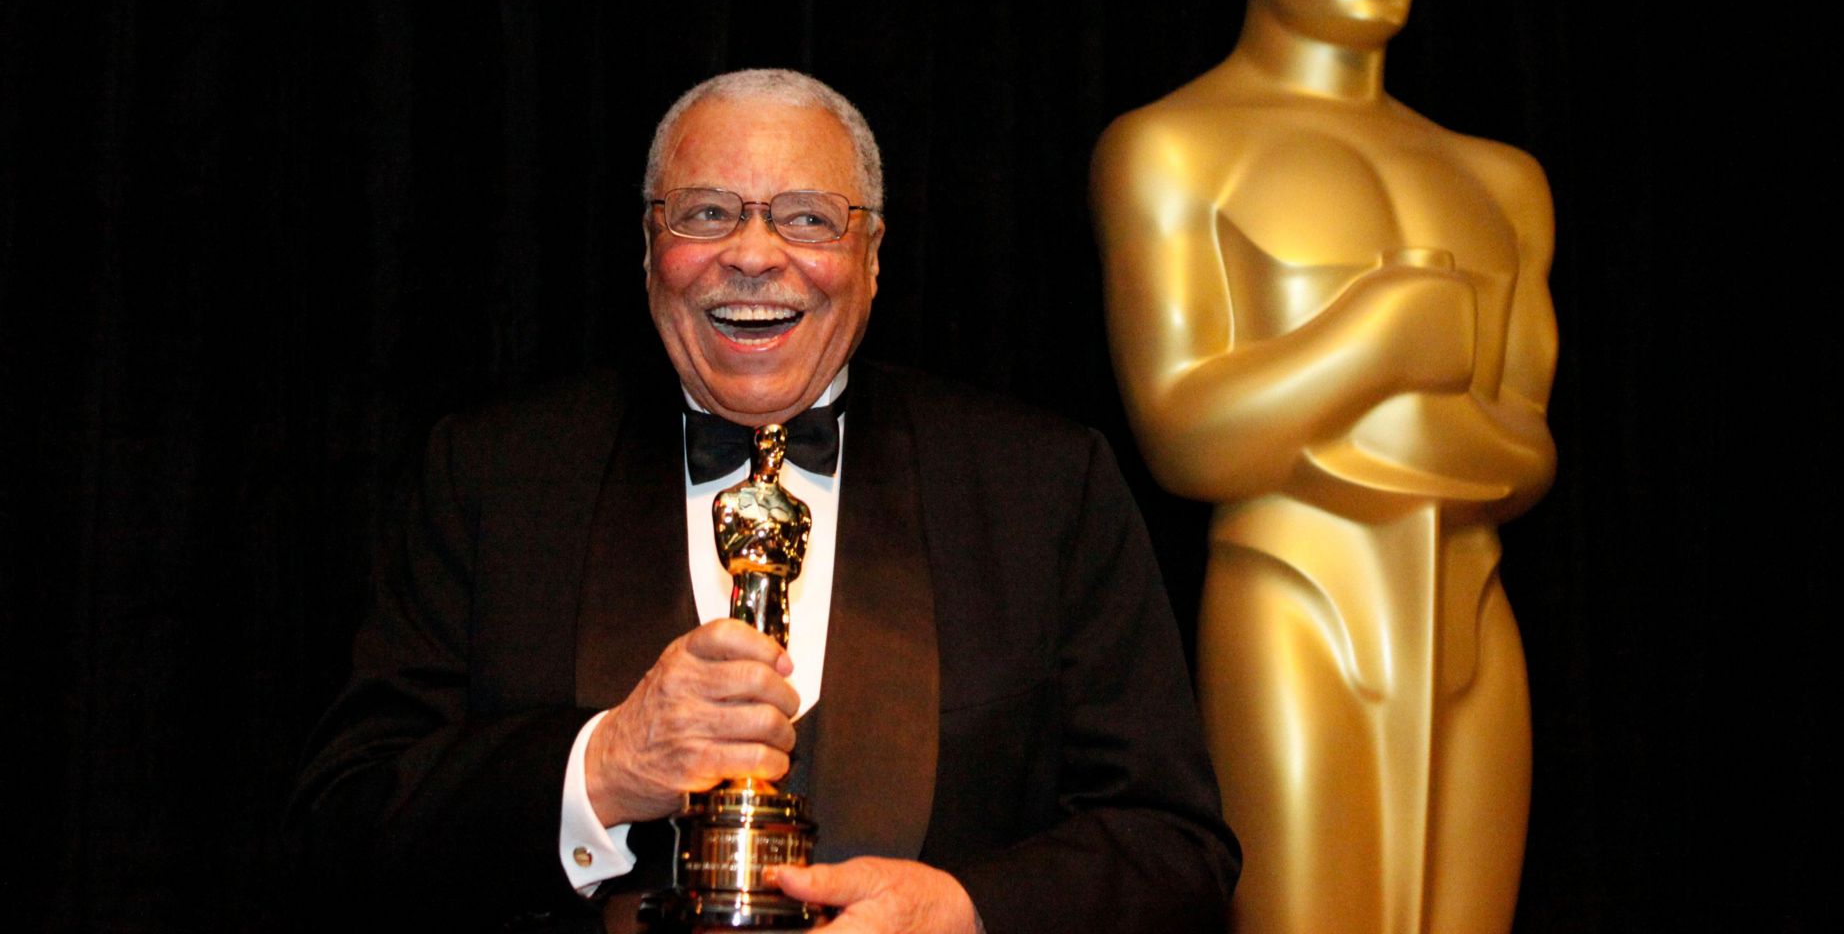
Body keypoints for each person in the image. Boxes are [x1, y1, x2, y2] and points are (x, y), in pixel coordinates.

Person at [290, 69, 1239, 933]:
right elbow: (344, 829)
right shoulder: (496, 475)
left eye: (807, 218)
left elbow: (1174, 845)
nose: (752, 255)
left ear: (872, 255)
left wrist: (966, 912)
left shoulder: (1042, 484)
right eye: (706, 213)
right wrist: (601, 769)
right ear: (650, 246)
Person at [1090, 0, 1556, 934]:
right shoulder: (1174, 148)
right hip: (1293, 594)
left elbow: (1530, 454)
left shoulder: (1498, 180)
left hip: (1471, 600)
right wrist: (1377, 343)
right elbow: (1185, 436)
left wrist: (1335, 406)